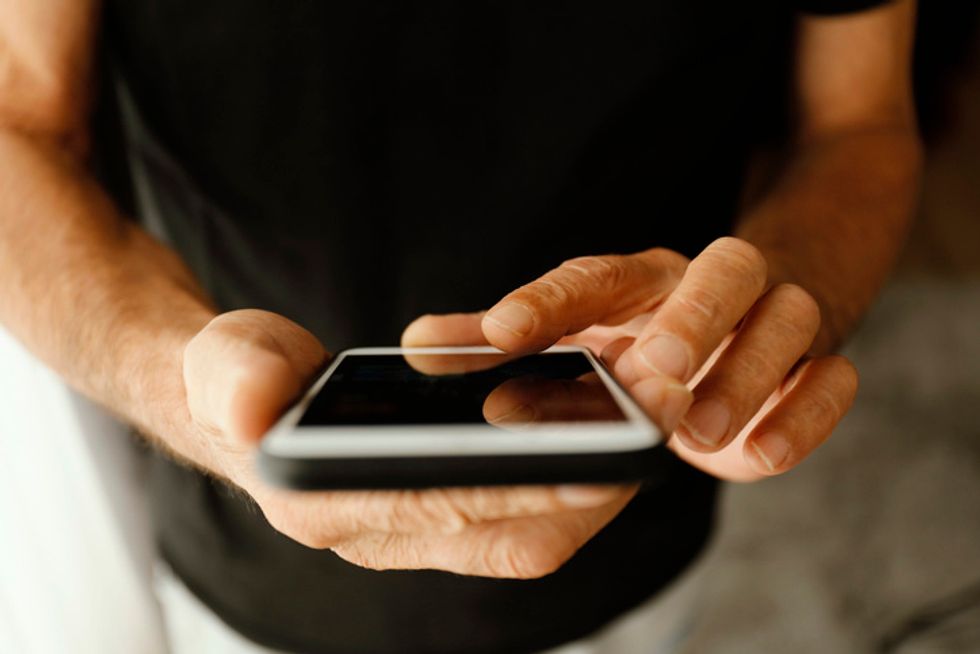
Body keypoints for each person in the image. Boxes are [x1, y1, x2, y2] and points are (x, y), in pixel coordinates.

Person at [0, 0, 921, 652]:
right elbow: (20, 129)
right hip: (250, 555)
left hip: (634, 503)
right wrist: (180, 386)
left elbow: (860, 121)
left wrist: (766, 304)